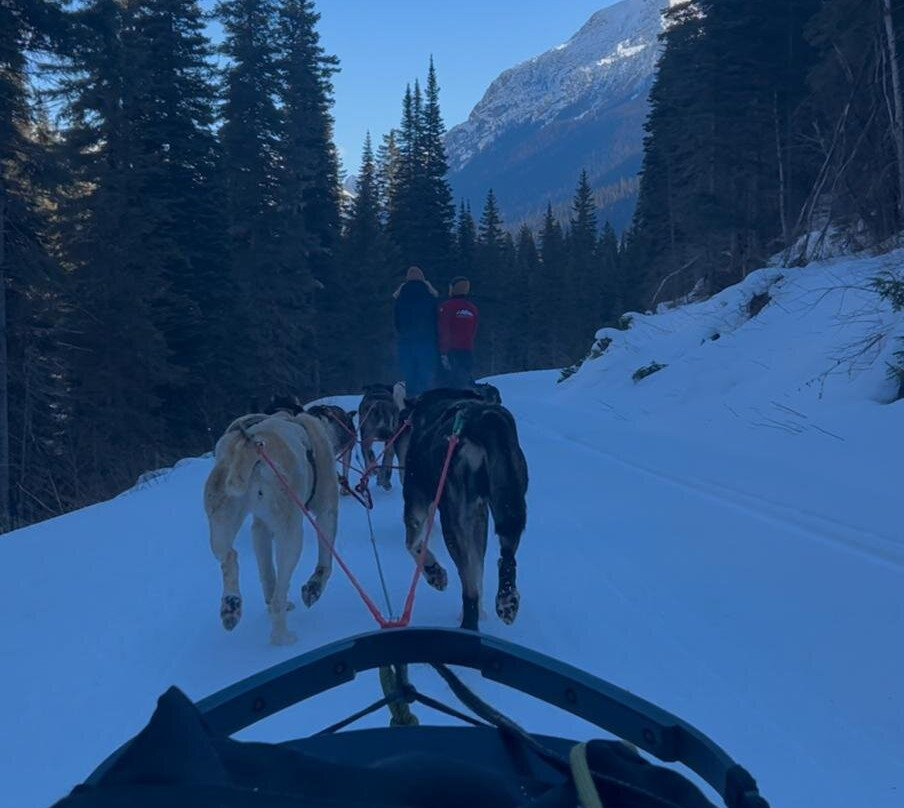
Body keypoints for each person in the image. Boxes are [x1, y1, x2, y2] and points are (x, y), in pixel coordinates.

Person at [393, 266, 439, 397]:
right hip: (427, 342)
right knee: (425, 377)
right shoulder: (430, 296)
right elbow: (436, 319)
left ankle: (410, 405)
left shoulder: (400, 297)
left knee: (410, 377)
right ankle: (425, 404)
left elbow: (397, 323)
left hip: (406, 342)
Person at [438, 276, 479, 389]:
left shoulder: (446, 307)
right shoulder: (472, 308)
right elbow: (473, 330)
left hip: (451, 352)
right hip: (467, 351)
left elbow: (443, 329)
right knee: (463, 381)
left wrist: (443, 351)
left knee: (450, 383)